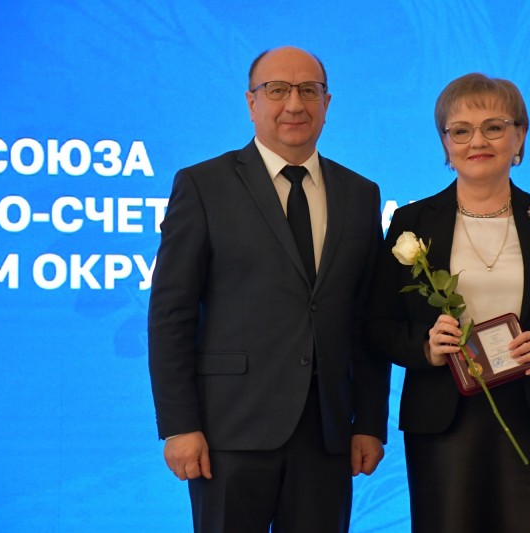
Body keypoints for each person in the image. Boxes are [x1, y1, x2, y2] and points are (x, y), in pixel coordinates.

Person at [148, 46, 390, 533]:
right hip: (228, 430)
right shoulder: (203, 185)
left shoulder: (360, 194)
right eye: (277, 90)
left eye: (309, 91)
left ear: (327, 102)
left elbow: (367, 318)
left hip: (326, 433)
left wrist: (369, 423)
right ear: (251, 102)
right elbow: (172, 313)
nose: (294, 104)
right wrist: (179, 425)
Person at [365, 73, 530, 532]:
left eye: (494, 127)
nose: (477, 141)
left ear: (519, 136)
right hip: (445, 421)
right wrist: (425, 347)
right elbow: (377, 323)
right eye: (460, 130)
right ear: (445, 143)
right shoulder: (412, 222)